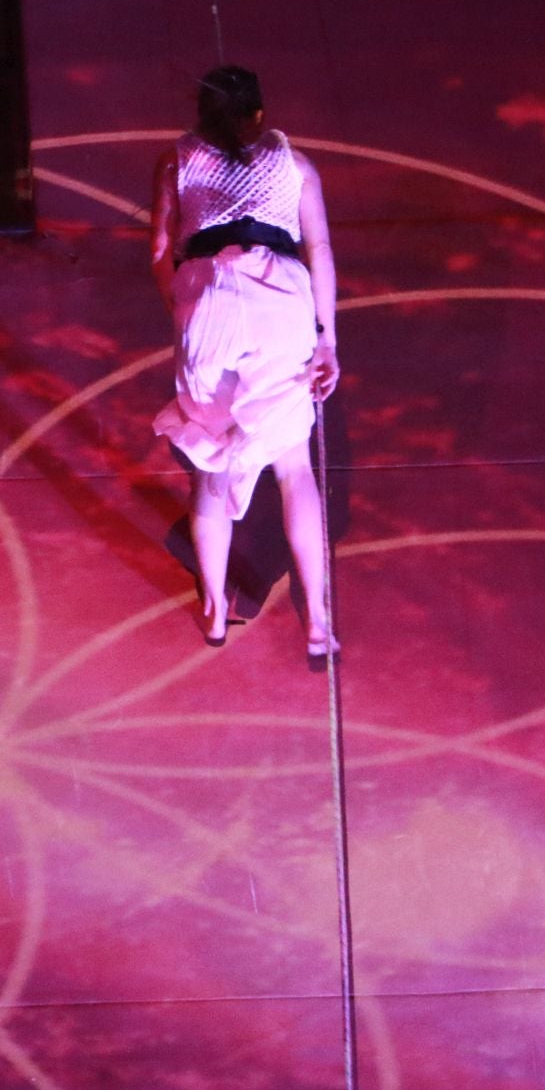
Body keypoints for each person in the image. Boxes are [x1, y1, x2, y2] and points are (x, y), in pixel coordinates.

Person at [151, 65, 342, 656]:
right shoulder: (295, 163)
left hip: (207, 294)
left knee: (213, 463)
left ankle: (213, 608)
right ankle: (317, 621)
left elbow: (160, 250)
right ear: (259, 114)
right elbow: (320, 249)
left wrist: (186, 311)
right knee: (293, 467)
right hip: (280, 296)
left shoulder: (177, 159)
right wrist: (327, 337)